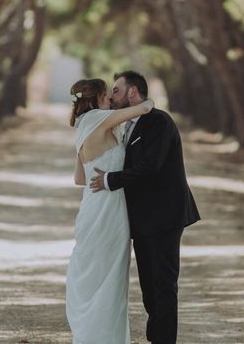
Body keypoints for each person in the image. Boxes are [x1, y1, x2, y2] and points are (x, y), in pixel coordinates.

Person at [90, 70, 200, 344]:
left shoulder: (159, 122)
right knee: (149, 288)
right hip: (140, 220)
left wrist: (108, 180)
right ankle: (156, 338)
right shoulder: (126, 125)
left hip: (165, 216)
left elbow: (149, 168)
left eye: (116, 90)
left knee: (164, 285)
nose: (112, 96)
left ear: (133, 92)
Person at [65, 77, 154, 344]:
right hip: (108, 212)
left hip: (92, 208)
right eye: (107, 95)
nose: (111, 100)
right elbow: (145, 108)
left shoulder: (83, 125)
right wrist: (140, 99)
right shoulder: (96, 119)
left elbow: (80, 179)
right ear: (95, 99)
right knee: (111, 281)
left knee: (98, 276)